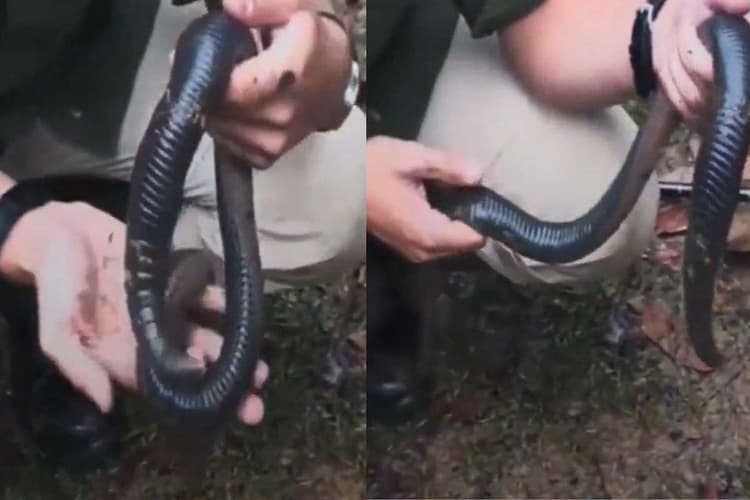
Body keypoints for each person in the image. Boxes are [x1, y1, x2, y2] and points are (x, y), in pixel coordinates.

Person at [0, 0, 365, 474]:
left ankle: (112, 247)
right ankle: (37, 280)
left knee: (346, 185)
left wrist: (323, 49)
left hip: (89, 51)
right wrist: (17, 226)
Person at [366, 0, 750, 424]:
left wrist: (658, 33)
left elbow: (538, 22)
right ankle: (384, 257)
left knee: (592, 200)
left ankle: (411, 239)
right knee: (329, 212)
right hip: (318, 116)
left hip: (404, 40)